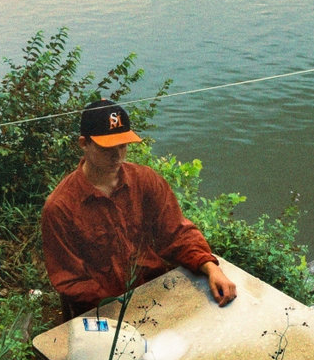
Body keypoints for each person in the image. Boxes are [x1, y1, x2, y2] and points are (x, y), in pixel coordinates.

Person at [41, 99, 238, 318]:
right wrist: (119, 310)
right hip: (101, 312)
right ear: (84, 143)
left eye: (122, 146)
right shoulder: (60, 207)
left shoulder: (146, 180)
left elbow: (178, 234)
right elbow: (71, 281)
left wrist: (211, 267)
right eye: (107, 148)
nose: (117, 156)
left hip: (155, 296)